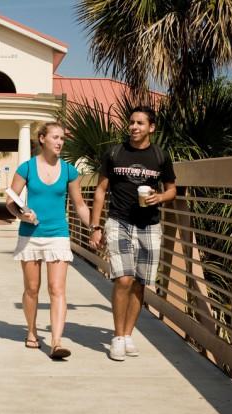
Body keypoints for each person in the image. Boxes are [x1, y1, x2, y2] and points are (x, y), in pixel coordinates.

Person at [89, 106, 176, 361]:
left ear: (151, 127)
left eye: (140, 123)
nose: (134, 127)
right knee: (124, 278)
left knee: (139, 282)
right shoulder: (115, 153)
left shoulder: (160, 156)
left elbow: (172, 190)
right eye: (131, 123)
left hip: (149, 224)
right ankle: (117, 337)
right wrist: (95, 227)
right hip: (119, 221)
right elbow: (100, 191)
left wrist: (160, 197)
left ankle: (128, 335)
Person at [6, 122, 90, 360]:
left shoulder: (69, 171)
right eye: (55, 137)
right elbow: (11, 201)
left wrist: (93, 227)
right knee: (32, 289)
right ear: (42, 139)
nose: (60, 142)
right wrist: (21, 214)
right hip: (30, 235)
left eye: (62, 138)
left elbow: (80, 205)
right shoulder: (27, 168)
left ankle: (56, 341)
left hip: (58, 235)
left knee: (57, 289)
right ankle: (31, 332)